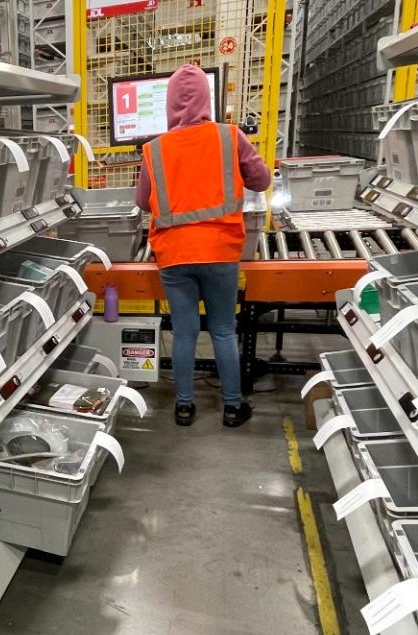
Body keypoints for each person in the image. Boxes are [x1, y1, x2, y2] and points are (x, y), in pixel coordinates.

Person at [135, 64, 271, 428]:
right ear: (208, 99)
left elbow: (143, 201)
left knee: (184, 331)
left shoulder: (154, 149)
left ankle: (183, 406)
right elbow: (261, 181)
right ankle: (231, 406)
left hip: (175, 254)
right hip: (221, 250)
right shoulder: (230, 136)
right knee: (224, 330)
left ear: (169, 105)